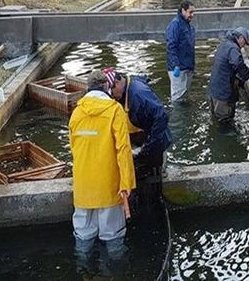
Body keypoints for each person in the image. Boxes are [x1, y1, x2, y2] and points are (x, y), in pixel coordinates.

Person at [68, 70, 136, 259]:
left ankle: (83, 267)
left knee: (83, 235)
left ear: (88, 88)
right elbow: (123, 149)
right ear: (107, 86)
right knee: (112, 236)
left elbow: (74, 148)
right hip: (109, 186)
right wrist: (126, 182)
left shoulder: (77, 113)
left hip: (83, 187)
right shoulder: (115, 111)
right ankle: (114, 269)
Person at [103, 69, 172, 175]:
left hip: (153, 142)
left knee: (154, 175)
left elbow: (162, 117)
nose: (112, 97)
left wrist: (148, 147)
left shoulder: (139, 93)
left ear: (117, 82)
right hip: (137, 141)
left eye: (112, 93)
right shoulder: (120, 96)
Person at [208, 28, 249, 123]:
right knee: (225, 122)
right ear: (241, 38)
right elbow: (238, 63)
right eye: (244, 43)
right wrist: (246, 75)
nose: (244, 46)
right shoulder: (233, 48)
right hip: (223, 95)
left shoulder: (224, 44)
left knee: (215, 120)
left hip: (213, 91)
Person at [165, 0, 196, 102]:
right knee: (178, 97)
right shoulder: (175, 25)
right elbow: (171, 46)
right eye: (190, 12)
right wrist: (176, 65)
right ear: (183, 10)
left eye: (193, 12)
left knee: (184, 96)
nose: (192, 15)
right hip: (178, 68)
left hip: (187, 66)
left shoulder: (188, 26)